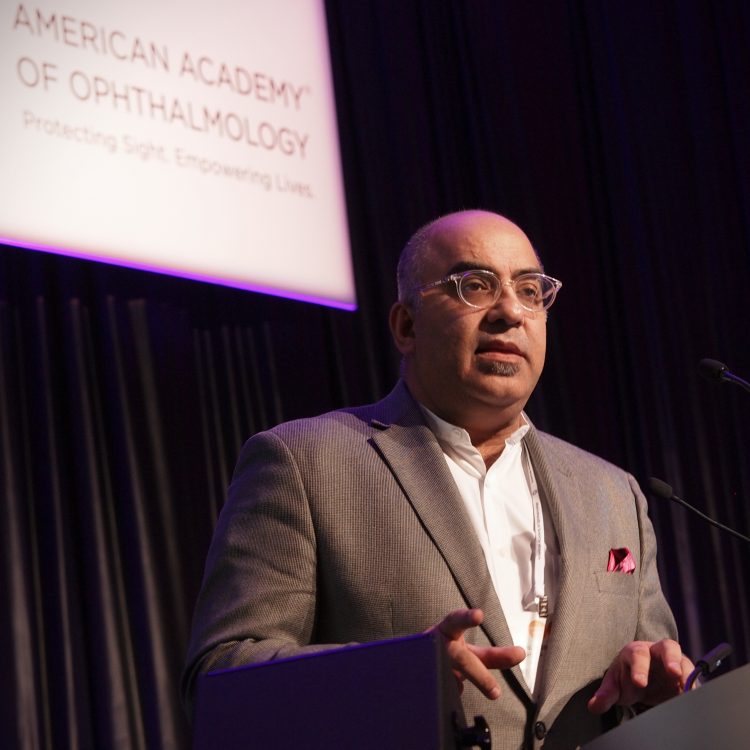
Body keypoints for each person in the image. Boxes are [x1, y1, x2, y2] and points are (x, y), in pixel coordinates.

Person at [182, 210, 692, 748]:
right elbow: (219, 680)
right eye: (475, 285)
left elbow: (661, 681)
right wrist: (399, 673)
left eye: (529, 291)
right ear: (407, 326)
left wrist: (661, 687)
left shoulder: (613, 493)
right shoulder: (304, 462)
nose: (509, 312)